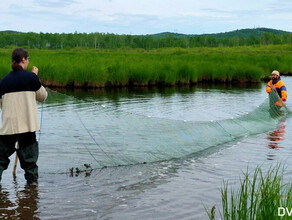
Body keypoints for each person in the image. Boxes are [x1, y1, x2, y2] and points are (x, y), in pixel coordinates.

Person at [0, 48, 47, 184]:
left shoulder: (3, 81)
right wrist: (35, 77)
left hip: (8, 128)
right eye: (28, 59)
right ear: (24, 60)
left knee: (0, 160)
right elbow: (43, 96)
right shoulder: (32, 78)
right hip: (27, 127)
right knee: (30, 165)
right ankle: (31, 197)